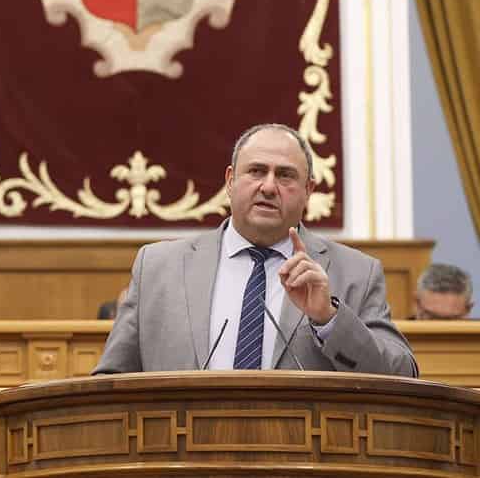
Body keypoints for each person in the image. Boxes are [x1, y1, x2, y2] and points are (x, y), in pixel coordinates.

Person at [95, 123, 417, 376]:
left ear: (308, 192)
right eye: (256, 171)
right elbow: (111, 378)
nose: (268, 186)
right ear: (230, 181)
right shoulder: (157, 267)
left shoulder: (356, 273)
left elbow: (402, 374)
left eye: (286, 175)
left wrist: (329, 319)